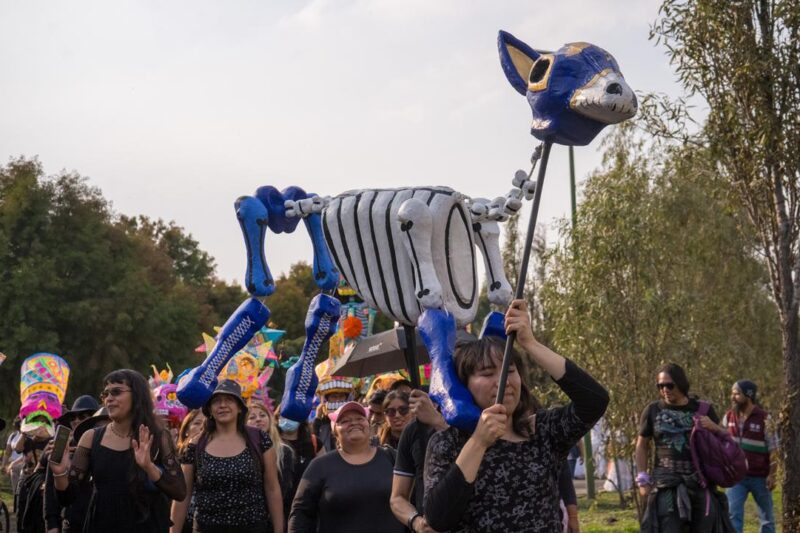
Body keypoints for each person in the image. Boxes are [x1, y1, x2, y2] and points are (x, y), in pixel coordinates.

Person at [423, 300, 608, 532]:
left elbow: (595, 400)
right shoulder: (447, 443)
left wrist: (530, 343)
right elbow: (438, 519)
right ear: (465, 385)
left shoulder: (542, 432)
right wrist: (479, 442)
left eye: (510, 370)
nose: (504, 381)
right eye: (487, 373)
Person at [51, 369, 186, 533]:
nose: (109, 398)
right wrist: (59, 473)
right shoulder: (91, 438)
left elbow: (179, 491)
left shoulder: (157, 436)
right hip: (102, 524)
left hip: (146, 526)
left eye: (116, 392)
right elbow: (67, 498)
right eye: (106, 394)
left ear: (137, 396)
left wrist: (149, 467)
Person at [171, 380, 284, 533]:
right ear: (209, 409)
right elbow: (183, 495)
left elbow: (272, 488)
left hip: (253, 527)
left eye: (229, 400)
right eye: (216, 401)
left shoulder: (259, 439)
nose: (222, 405)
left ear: (239, 408)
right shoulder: (195, 445)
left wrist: (279, 530)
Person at [636, 363, 733, 532]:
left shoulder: (704, 409)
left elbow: (726, 440)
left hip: (700, 483)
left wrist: (714, 427)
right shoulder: (653, 410)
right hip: (666, 484)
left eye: (669, 385)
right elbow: (642, 445)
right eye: (660, 386)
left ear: (681, 383)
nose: (665, 389)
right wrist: (643, 479)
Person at [288, 401, 404, 533]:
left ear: (368, 425)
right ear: (335, 432)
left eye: (360, 418)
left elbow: (412, 500)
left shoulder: (392, 458)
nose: (354, 423)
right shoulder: (319, 466)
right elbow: (301, 514)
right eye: (345, 421)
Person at [722, 380, 777, 533]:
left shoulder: (765, 419)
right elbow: (722, 443)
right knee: (732, 515)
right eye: (732, 393)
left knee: (767, 519)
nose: (733, 397)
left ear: (749, 395)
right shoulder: (728, 417)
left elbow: (774, 449)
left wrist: (772, 475)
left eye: (737, 394)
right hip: (736, 477)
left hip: (760, 477)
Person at [390, 390, 447, 533]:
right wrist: (417, 522)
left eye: (403, 410)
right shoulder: (413, 430)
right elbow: (397, 498)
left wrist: (438, 423)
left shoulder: (482, 422)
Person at [43, 395, 100, 533]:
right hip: (72, 523)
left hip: (100, 522)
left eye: (83, 416)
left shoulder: (105, 445)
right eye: (73, 417)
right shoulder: (62, 447)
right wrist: (51, 524)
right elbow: (50, 489)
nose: (76, 421)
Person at [247, 400, 295, 533]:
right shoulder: (239, 451)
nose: (258, 419)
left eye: (262, 415)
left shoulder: (284, 451)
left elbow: (283, 489)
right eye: (252, 417)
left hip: (272, 519)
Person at [175, 410, 206, 533]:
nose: (202, 427)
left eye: (206, 423)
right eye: (197, 423)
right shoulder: (173, 457)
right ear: (186, 430)